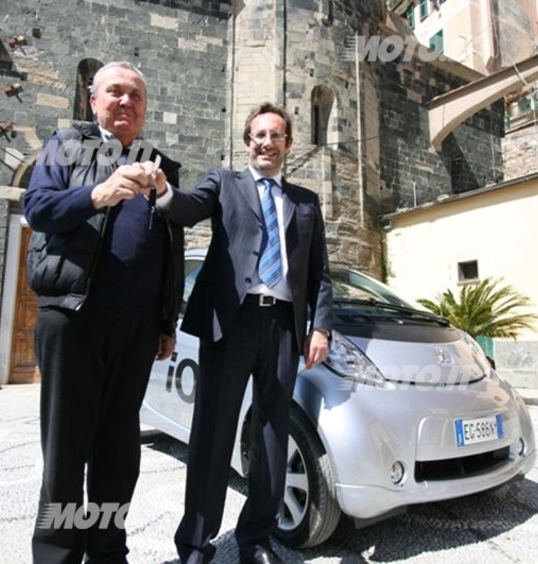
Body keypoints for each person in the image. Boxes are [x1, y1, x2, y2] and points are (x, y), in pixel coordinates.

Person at [149, 102, 333, 564]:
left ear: (288, 144)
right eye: (258, 135)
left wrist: (321, 327)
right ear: (247, 143)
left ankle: (255, 537)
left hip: (283, 328)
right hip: (229, 323)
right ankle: (195, 543)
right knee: (213, 432)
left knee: (272, 435)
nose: (266, 142)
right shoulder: (225, 183)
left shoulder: (307, 203)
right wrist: (164, 192)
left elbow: (321, 276)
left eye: (276, 135)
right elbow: (187, 207)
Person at [22, 61, 184, 564]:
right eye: (115, 92)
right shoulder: (66, 145)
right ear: (93, 101)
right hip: (74, 317)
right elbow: (38, 209)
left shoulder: (161, 167)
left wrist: (165, 322)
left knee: (118, 454)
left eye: (135, 96)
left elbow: (171, 251)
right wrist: (96, 194)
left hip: (136, 330)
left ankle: (109, 552)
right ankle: (58, 556)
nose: (126, 102)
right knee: (67, 451)